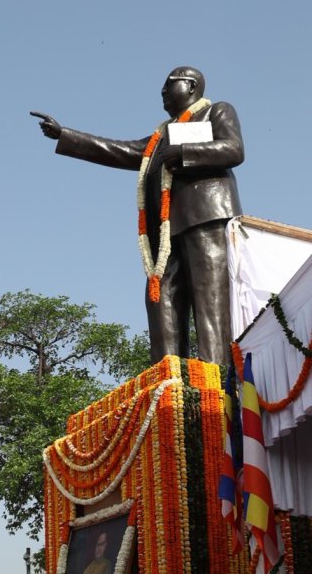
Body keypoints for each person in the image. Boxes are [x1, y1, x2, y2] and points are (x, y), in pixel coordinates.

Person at [34, 68, 243, 365]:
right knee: (161, 300)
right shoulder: (161, 136)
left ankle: (217, 382)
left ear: (192, 85)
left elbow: (233, 149)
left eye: (169, 84)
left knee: (209, 303)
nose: (162, 91)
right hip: (165, 233)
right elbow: (122, 150)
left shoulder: (216, 111)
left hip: (205, 217)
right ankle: (168, 381)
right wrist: (66, 135)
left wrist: (184, 152)